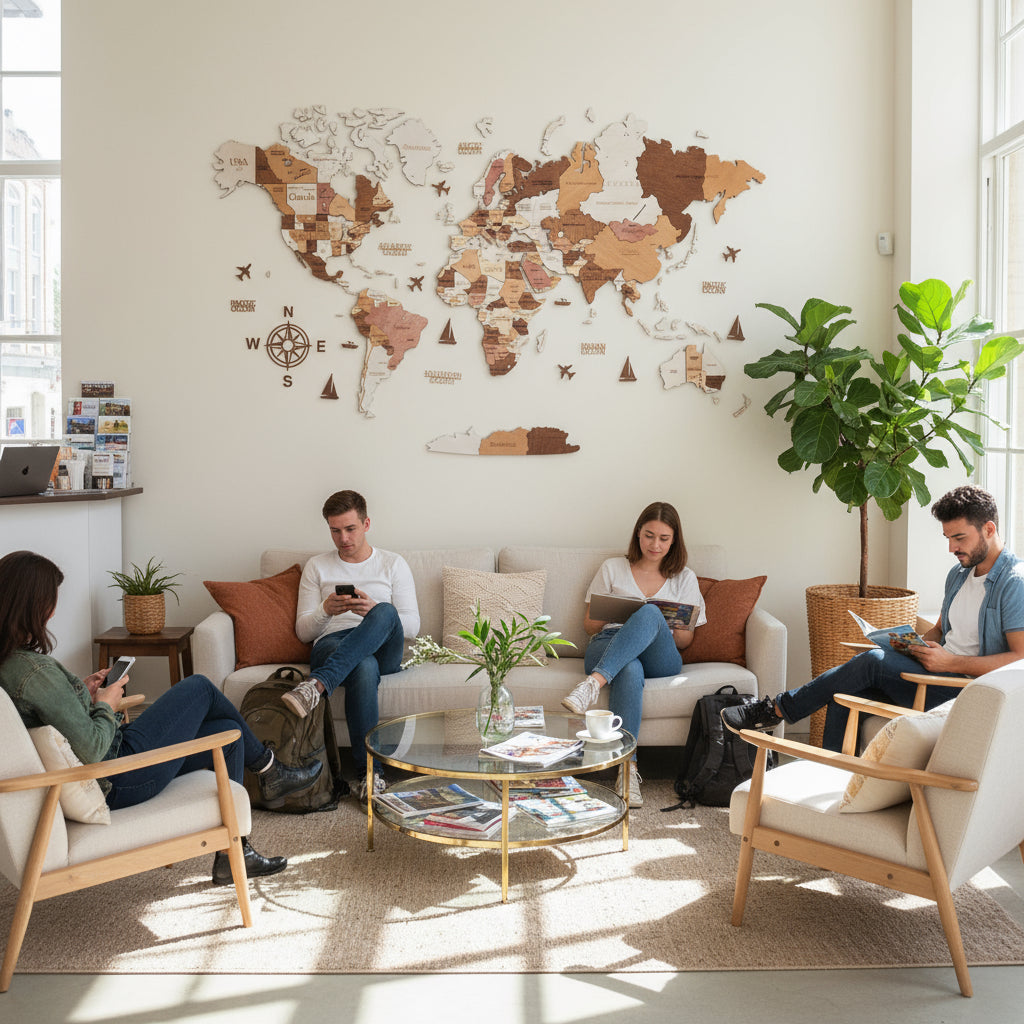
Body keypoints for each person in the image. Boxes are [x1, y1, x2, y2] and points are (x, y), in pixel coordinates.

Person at [0, 550, 323, 886]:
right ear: (34, 605)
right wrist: (106, 704)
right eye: (51, 600)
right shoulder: (33, 672)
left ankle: (234, 855)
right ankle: (272, 771)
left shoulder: (11, 665)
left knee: (228, 732)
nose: (53, 610)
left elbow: (57, 721)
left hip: (113, 767)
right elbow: (93, 748)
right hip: (118, 777)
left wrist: (82, 693)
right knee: (200, 688)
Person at [722, 484, 1024, 748]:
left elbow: (1019, 658)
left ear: (989, 529)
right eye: (947, 538)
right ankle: (828, 782)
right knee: (844, 695)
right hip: (935, 674)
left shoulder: (1014, 583)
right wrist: (909, 644)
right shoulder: (959, 574)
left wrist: (950, 662)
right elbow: (941, 630)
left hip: (966, 691)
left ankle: (773, 711)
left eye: (959, 538)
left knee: (872, 662)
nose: (951, 548)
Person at [560, 501, 706, 808]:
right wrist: (618, 611)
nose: (655, 545)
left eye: (664, 538)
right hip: (608, 643)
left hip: (661, 654)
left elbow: (685, 641)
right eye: (649, 535)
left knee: (650, 612)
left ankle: (592, 684)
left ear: (674, 541)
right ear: (638, 533)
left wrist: (660, 621)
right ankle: (627, 769)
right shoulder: (612, 568)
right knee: (629, 668)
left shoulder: (684, 577)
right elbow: (590, 626)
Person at [283, 489, 420, 803]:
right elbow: (303, 632)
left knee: (385, 612)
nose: (343, 538)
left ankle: (316, 685)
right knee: (363, 665)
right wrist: (325, 610)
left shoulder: (393, 564)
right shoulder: (317, 566)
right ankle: (369, 774)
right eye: (335, 531)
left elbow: (413, 626)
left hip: (383, 646)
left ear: (366, 523)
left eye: (350, 529)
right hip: (332, 643)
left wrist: (373, 612)